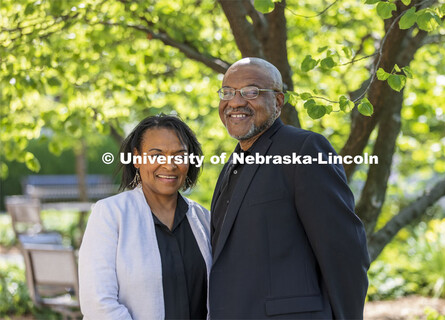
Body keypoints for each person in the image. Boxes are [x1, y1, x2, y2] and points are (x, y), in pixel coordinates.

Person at [209, 58, 370, 319]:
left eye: (251, 91)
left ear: (279, 102)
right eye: (227, 92)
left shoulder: (304, 149)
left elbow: (345, 253)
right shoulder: (232, 164)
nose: (235, 102)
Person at [79, 115, 211, 319]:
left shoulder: (204, 220)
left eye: (179, 155)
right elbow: (98, 303)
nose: (169, 165)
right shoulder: (110, 215)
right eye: (157, 155)